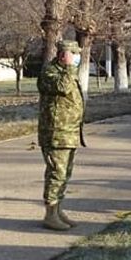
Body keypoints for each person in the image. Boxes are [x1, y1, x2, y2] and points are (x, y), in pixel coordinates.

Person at [37, 39, 86, 231]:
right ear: (64, 54)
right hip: (55, 133)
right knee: (56, 173)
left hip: (69, 133)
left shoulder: (66, 72)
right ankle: (50, 214)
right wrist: (68, 67)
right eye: (74, 54)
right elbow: (63, 88)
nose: (77, 58)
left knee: (65, 174)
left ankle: (58, 210)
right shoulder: (50, 72)